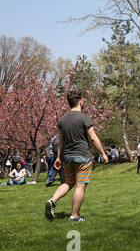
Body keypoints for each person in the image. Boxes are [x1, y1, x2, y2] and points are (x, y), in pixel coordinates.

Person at [45, 90, 109, 222]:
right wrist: (103, 153)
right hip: (82, 156)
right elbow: (93, 138)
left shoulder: (62, 120)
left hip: (67, 157)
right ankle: (74, 215)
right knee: (80, 186)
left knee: (68, 182)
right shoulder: (84, 118)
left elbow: (60, 141)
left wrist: (58, 157)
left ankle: (53, 200)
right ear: (81, 101)